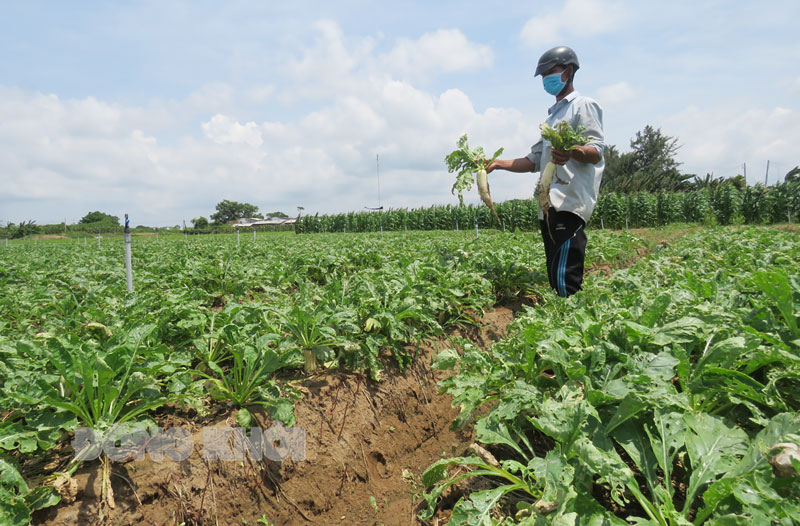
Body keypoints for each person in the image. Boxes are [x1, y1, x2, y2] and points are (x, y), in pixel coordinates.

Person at [486, 46, 605, 297]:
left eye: (550, 73)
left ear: (568, 71)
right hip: (548, 206)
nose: (545, 81)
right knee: (554, 272)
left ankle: (570, 326)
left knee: (565, 277)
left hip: (569, 203)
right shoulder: (552, 118)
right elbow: (534, 160)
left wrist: (572, 151)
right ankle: (560, 324)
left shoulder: (583, 106)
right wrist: (497, 163)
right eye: (542, 77)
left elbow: (596, 150)